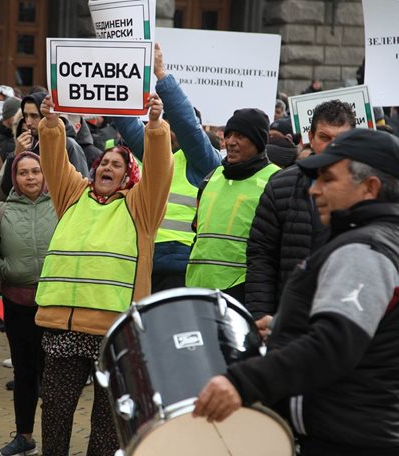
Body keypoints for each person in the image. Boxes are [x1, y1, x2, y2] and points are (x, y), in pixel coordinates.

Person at [194, 129, 399, 456]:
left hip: (347, 440)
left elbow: (334, 345)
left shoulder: (364, 249)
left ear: (369, 187)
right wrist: (284, 325)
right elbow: (368, 330)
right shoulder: (379, 238)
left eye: (327, 179)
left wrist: (242, 382)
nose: (314, 190)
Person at [35, 94, 172, 456]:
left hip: (115, 333)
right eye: (103, 162)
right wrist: (51, 124)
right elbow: (53, 161)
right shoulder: (73, 195)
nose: (106, 167)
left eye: (116, 164)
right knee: (55, 417)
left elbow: (160, 171)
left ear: (129, 175)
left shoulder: (140, 207)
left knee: (107, 424)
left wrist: (155, 128)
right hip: (64, 329)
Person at [113, 42, 221, 291]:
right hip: (144, 259)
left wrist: (161, 74)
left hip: (182, 264)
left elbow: (187, 126)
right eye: (167, 123)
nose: (170, 130)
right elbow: (127, 123)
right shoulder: (155, 155)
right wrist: (118, 70)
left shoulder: (204, 161)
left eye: (174, 125)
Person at [245, 100, 356, 336]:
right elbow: (262, 255)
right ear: (311, 137)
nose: (333, 146)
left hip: (346, 321)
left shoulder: (367, 189)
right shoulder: (281, 184)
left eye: (341, 138)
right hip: (287, 320)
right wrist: (260, 315)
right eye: (325, 137)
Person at [0, 152, 57, 456]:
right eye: (23, 173)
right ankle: (24, 435)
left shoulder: (61, 206)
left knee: (55, 376)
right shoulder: (1, 210)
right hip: (18, 302)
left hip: (54, 305)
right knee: (24, 372)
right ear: (13, 177)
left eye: (36, 171)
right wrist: (4, 270)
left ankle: (56, 441)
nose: (30, 177)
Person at [185, 108, 280, 304]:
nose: (230, 141)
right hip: (197, 286)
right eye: (228, 135)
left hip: (243, 291)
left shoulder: (275, 180)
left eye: (240, 136)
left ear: (258, 141)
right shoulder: (212, 177)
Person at [0, 92, 88, 198]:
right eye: (25, 116)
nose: (28, 122)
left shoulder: (68, 144)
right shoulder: (26, 144)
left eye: (34, 116)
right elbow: (5, 192)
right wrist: (15, 156)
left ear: (47, 115)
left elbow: (80, 189)